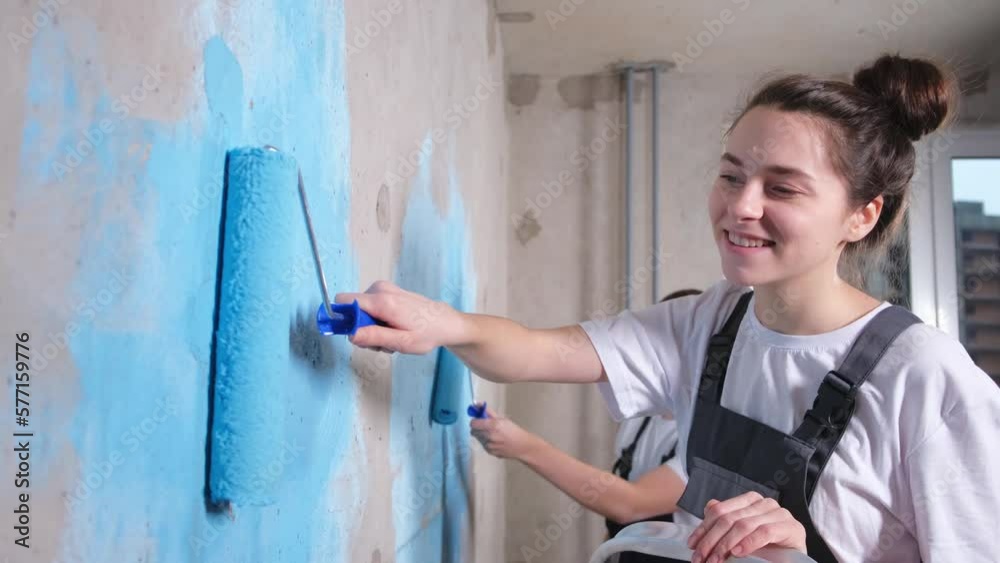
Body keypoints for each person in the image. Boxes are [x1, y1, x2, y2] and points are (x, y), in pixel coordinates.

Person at [337, 54, 1000, 562]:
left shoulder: (923, 375)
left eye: (783, 188)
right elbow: (540, 350)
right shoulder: (715, 322)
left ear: (861, 214)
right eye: (732, 174)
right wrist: (443, 323)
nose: (741, 205)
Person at [468, 290, 702, 562]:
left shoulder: (707, 440)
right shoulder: (642, 419)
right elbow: (621, 522)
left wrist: (524, 447)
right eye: (656, 345)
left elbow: (629, 504)